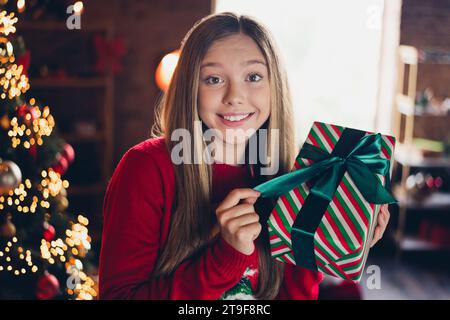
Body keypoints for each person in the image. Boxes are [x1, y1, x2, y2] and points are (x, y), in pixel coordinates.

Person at [98, 12, 390, 300]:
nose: (235, 96)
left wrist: (317, 245)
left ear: (274, 86)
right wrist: (226, 256)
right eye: (213, 79)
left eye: (253, 76)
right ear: (190, 88)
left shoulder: (292, 175)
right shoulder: (146, 169)